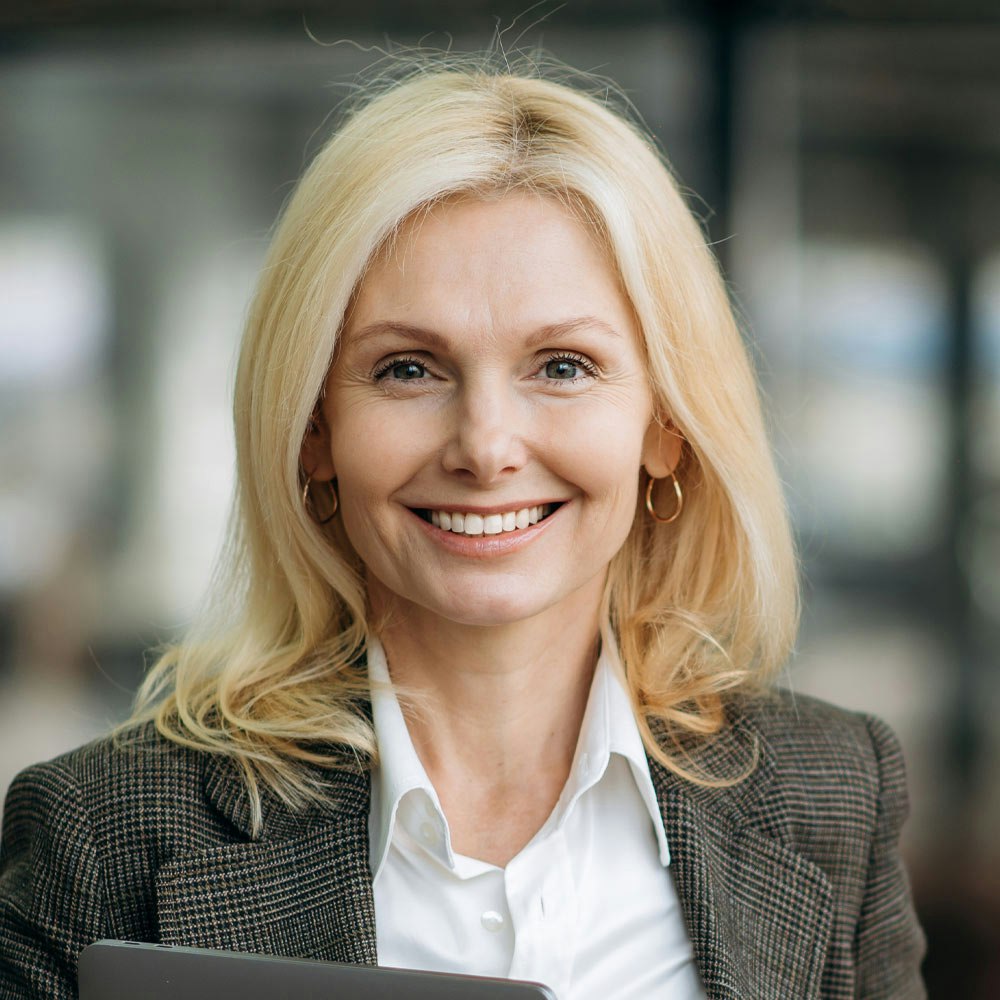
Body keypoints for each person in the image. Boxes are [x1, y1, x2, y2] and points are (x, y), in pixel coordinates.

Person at [0, 57, 925, 999]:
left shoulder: (834, 792)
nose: (485, 447)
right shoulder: (98, 832)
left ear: (665, 426)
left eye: (562, 366)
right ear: (314, 429)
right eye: (408, 369)